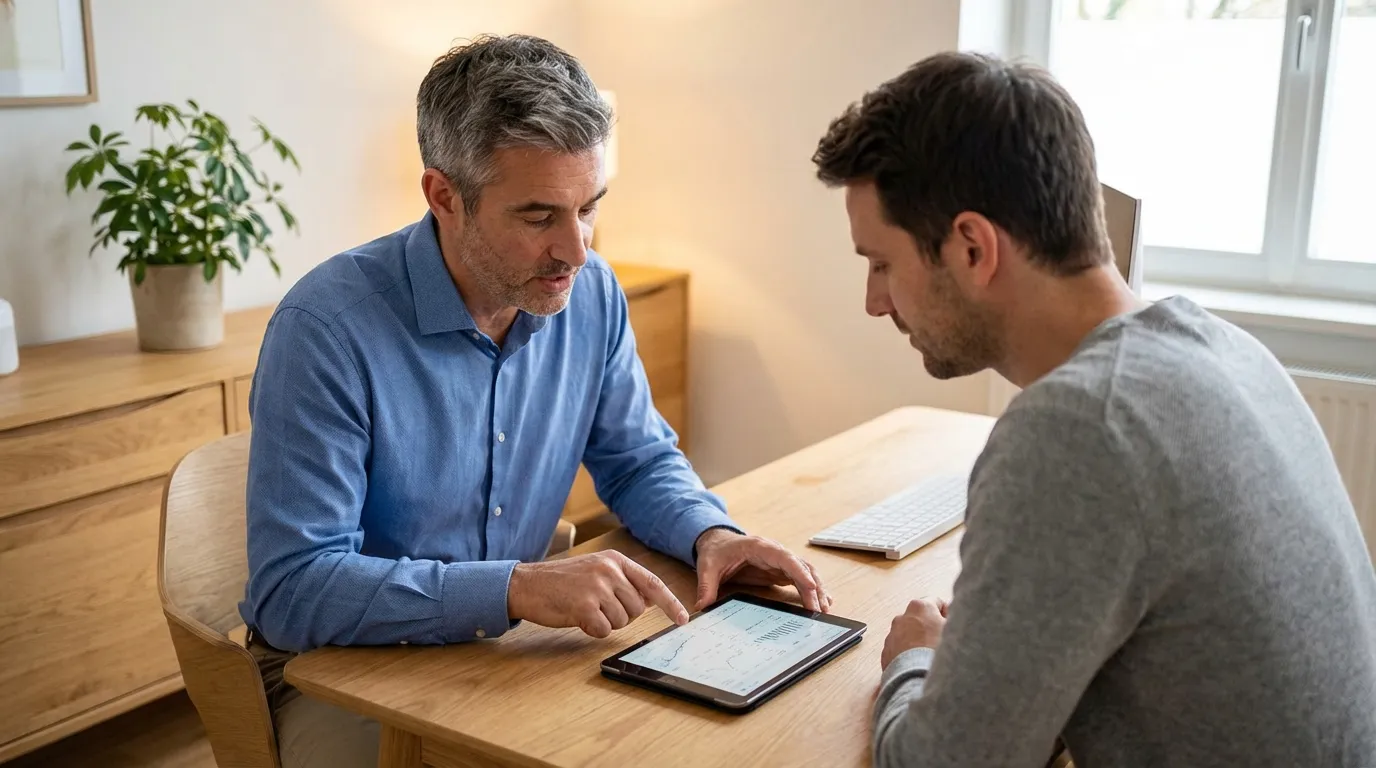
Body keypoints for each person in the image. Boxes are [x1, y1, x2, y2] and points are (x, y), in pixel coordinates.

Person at [240, 34, 830, 768]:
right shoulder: (327, 330)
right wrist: (514, 589)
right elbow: (293, 591)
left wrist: (711, 535)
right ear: (443, 196)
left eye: (589, 208)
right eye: (539, 216)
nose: (577, 250)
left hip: (505, 651)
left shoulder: (593, 295)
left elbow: (639, 460)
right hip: (339, 672)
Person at [811, 51, 1376, 768]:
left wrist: (916, 662)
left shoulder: (1078, 430)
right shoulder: (1225, 350)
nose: (874, 301)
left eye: (881, 262)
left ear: (973, 247)